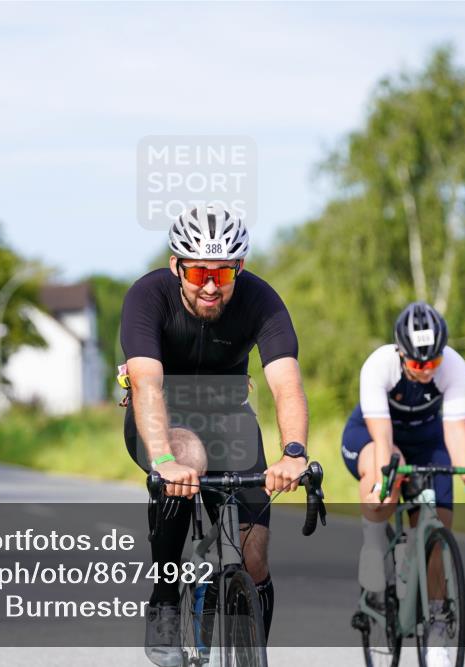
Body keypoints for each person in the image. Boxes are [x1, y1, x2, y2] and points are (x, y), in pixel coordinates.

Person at [120, 205, 309, 666]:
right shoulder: (148, 297)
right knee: (190, 457)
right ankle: (166, 599)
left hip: (229, 417)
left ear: (238, 269)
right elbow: (147, 385)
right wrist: (165, 461)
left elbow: (285, 383)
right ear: (176, 266)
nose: (209, 284)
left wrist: (294, 453)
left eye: (222, 274)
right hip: (166, 417)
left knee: (256, 556)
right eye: (199, 271)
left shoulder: (261, 301)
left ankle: (251, 654)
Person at [340, 301, 465, 667]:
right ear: (401, 352)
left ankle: (437, 634)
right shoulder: (379, 365)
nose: (426, 371)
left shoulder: (455, 366)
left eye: (433, 363)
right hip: (373, 436)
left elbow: (457, 433)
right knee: (387, 481)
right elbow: (382, 439)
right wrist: (384, 482)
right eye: (416, 364)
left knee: (438, 531)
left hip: (428, 443)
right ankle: (373, 551)